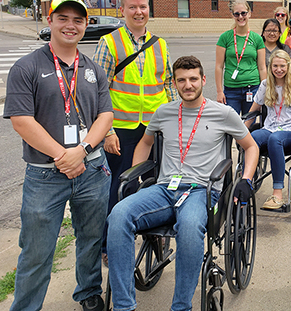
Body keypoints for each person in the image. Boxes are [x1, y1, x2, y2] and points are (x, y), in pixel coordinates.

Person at [107, 55, 259, 311]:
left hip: (202, 190)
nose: (188, 85)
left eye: (193, 79)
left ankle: (181, 307)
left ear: (203, 80)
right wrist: (134, 175)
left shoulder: (223, 113)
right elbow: (145, 143)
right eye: (181, 80)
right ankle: (124, 306)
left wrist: (246, 179)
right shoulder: (164, 112)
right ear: (174, 83)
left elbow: (251, 146)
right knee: (119, 214)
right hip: (165, 189)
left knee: (189, 228)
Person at [4, 0, 114, 311]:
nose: (70, 25)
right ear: (49, 21)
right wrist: (63, 156)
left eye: (77, 20)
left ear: (85, 25)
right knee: (37, 250)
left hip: (92, 171)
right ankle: (26, 306)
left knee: (91, 239)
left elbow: (105, 116)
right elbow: (22, 121)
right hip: (44, 175)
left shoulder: (93, 69)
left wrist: (82, 150)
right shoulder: (27, 67)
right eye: (62, 18)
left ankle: (89, 291)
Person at [92, 0, 177, 263]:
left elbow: (167, 84)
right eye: (133, 7)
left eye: (143, 6)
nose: (138, 11)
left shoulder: (161, 43)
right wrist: (107, 131)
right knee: (120, 187)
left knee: (158, 184)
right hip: (123, 130)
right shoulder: (110, 42)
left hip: (155, 129)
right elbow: (98, 90)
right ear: (123, 10)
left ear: (148, 10)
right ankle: (109, 245)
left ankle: (156, 239)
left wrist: (178, 118)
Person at [248, 50, 291, 209]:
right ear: (270, 67)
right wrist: (242, 132)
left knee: (275, 138)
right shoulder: (265, 85)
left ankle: (277, 194)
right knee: (253, 138)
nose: (279, 69)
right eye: (275, 66)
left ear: (288, 66)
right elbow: (254, 108)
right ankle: (246, 183)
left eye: (282, 66)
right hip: (270, 128)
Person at [215, 0, 266, 115]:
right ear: (232, 15)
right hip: (231, 90)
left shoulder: (257, 38)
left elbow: (262, 67)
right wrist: (219, 91)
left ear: (249, 14)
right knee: (231, 124)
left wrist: (264, 91)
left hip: (252, 88)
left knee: (250, 123)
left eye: (243, 13)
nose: (240, 17)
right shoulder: (225, 37)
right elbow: (219, 66)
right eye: (236, 14)